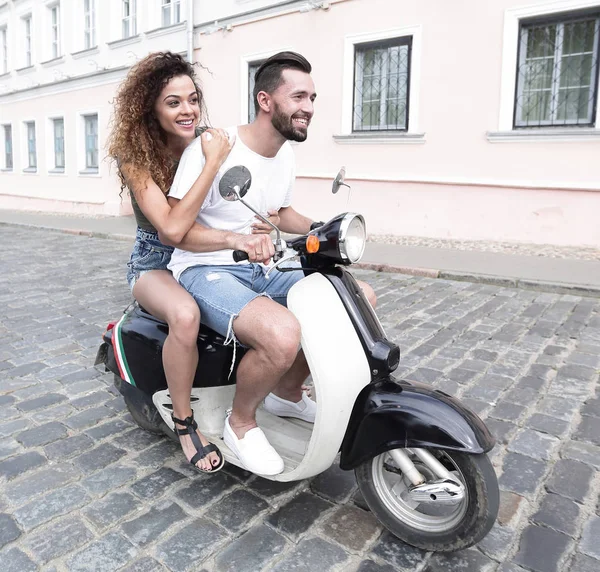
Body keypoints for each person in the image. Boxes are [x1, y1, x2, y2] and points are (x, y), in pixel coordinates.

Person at [167, 51, 377, 476]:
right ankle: (240, 421)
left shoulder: (283, 154)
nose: (310, 108)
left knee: (358, 297)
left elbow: (277, 215)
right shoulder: (215, 148)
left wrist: (323, 228)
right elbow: (177, 229)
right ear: (266, 101)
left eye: (313, 98)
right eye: (299, 96)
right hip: (205, 268)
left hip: (262, 266)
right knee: (282, 334)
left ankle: (287, 392)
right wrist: (238, 239)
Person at [107, 51, 236, 473]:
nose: (188, 110)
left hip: (203, 250)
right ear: (151, 108)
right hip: (154, 261)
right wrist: (212, 162)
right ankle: (185, 422)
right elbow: (170, 229)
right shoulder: (136, 157)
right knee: (185, 314)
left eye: (193, 99)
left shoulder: (206, 140)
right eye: (174, 102)